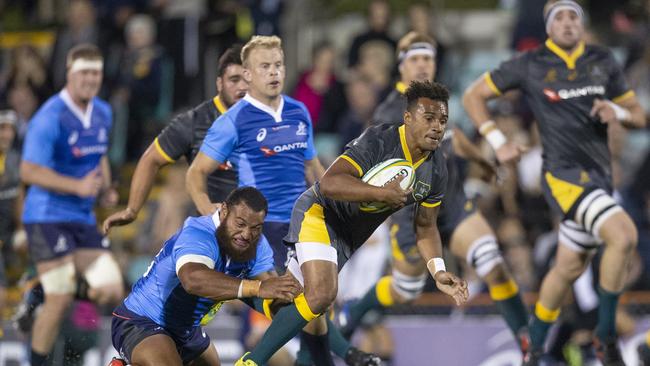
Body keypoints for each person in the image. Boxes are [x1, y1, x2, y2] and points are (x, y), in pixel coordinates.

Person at [235, 80, 469, 366]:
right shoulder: (379, 140)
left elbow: (425, 226)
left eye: (443, 120)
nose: (437, 126)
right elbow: (330, 183)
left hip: (348, 239)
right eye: (429, 118)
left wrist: (439, 270)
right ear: (408, 118)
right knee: (321, 295)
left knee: (296, 305)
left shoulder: (437, 169)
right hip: (319, 214)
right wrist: (382, 193)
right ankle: (250, 361)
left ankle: (234, 288)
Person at [462, 1, 646, 364]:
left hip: (599, 177)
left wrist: (619, 112)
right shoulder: (531, 64)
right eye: (557, 16)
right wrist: (498, 142)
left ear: (582, 23)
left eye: (572, 15)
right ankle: (606, 338)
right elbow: (472, 96)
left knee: (568, 267)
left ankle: (535, 344)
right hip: (563, 176)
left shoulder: (603, 62)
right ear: (548, 26)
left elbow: (639, 115)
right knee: (623, 235)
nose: (565, 22)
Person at [187, 36, 378, 366]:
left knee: (315, 306)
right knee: (301, 305)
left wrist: (343, 212)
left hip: (307, 221)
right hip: (265, 230)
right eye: (265, 66)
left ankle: (340, 355)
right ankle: (345, 354)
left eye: (278, 65)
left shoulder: (298, 111)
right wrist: (209, 211)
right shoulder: (234, 120)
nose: (274, 72)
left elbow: (314, 169)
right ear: (247, 75)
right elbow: (195, 173)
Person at [338, 31, 530, 350]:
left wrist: (483, 161)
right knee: (405, 290)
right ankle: (354, 312)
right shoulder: (389, 114)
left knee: (492, 261)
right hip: (412, 216)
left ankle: (528, 343)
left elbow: (453, 137)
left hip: (451, 202)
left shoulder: (437, 98)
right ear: (401, 66)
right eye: (415, 58)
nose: (422, 64)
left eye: (427, 57)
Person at [110, 187, 302, 366]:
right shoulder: (199, 233)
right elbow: (192, 280)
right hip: (142, 320)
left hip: (186, 330)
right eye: (240, 224)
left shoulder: (258, 245)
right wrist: (257, 288)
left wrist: (299, 295)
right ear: (224, 211)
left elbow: (271, 289)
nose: (246, 234)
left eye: (256, 228)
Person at [19, 43, 124, 366]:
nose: (90, 79)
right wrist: (77, 186)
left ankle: (39, 289)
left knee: (110, 290)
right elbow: (28, 170)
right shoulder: (49, 116)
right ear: (70, 73)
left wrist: (105, 188)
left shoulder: (103, 111)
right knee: (61, 297)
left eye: (96, 72)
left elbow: (99, 153)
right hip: (46, 216)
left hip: (81, 218)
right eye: (84, 72)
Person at [103, 45, 247, 233]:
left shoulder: (271, 120)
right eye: (234, 80)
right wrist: (132, 209)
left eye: (247, 79)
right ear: (219, 83)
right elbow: (151, 158)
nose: (241, 87)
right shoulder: (195, 122)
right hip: (213, 230)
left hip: (262, 229)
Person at [0, 110, 22, 312]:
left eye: (10, 129)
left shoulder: (16, 161)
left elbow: (19, 196)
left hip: (8, 232)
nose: (6, 134)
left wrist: (21, 228)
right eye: (2, 128)